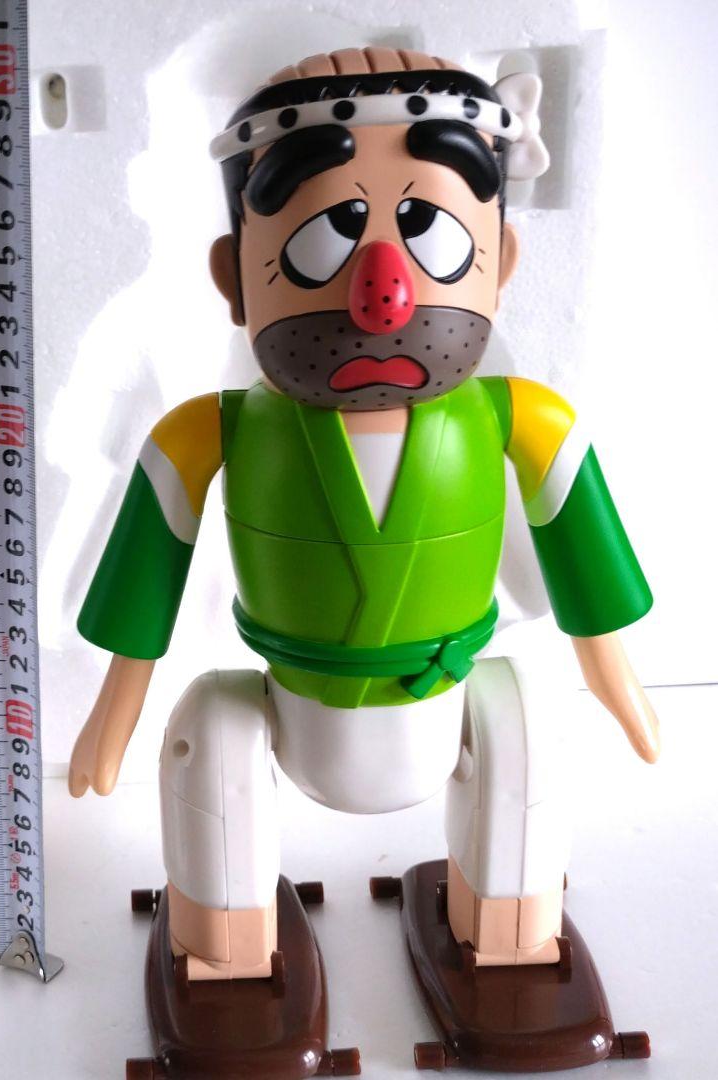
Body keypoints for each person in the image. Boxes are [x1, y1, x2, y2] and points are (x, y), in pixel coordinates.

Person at [70, 43, 658, 1067]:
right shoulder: (210, 432)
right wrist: (115, 713)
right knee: (211, 735)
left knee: (523, 721)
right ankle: (226, 954)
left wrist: (615, 677)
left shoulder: (522, 418)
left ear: (500, 263)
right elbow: (145, 579)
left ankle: (509, 937)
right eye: (321, 240)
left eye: (431, 233)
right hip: (291, 694)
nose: (382, 292)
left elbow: (584, 559)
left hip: (445, 685)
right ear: (235, 278)